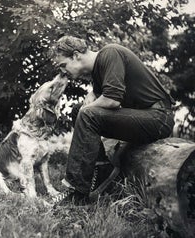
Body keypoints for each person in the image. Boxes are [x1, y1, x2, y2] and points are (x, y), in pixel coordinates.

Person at [52, 35, 175, 205]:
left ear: (76, 55)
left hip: (159, 117)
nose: (63, 71)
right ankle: (102, 167)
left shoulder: (110, 53)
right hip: (143, 116)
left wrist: (89, 106)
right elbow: (101, 100)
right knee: (78, 110)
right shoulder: (97, 72)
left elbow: (112, 100)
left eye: (63, 65)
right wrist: (92, 95)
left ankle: (77, 192)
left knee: (86, 114)